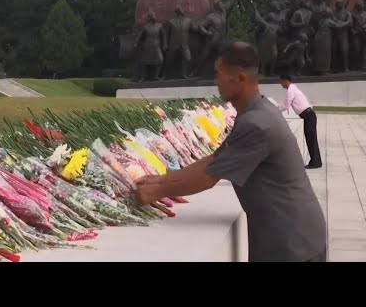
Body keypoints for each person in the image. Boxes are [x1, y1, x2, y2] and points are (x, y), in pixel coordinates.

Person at [134, 41, 327, 262]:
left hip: (293, 245)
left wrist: (155, 192)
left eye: (219, 74)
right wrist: (158, 181)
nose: (216, 81)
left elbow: (208, 177)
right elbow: (214, 160)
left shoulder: (257, 123)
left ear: (240, 79)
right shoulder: (257, 111)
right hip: (293, 238)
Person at [278, 75, 322, 169]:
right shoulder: (292, 89)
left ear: (285, 80)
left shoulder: (291, 90)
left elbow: (286, 105)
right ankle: (316, 161)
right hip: (308, 116)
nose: (280, 84)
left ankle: (315, 162)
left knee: (311, 139)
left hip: (309, 116)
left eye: (281, 81)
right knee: (310, 139)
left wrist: (275, 109)